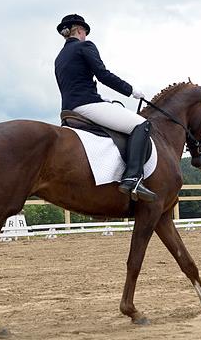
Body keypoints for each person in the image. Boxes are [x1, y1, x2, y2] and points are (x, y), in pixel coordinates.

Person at [54, 13, 156, 203]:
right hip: (86, 105)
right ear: (80, 30)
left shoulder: (60, 57)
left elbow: (77, 84)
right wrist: (130, 90)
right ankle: (132, 178)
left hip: (69, 108)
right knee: (142, 124)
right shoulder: (85, 45)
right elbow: (103, 74)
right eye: (85, 31)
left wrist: (102, 99)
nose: (86, 35)